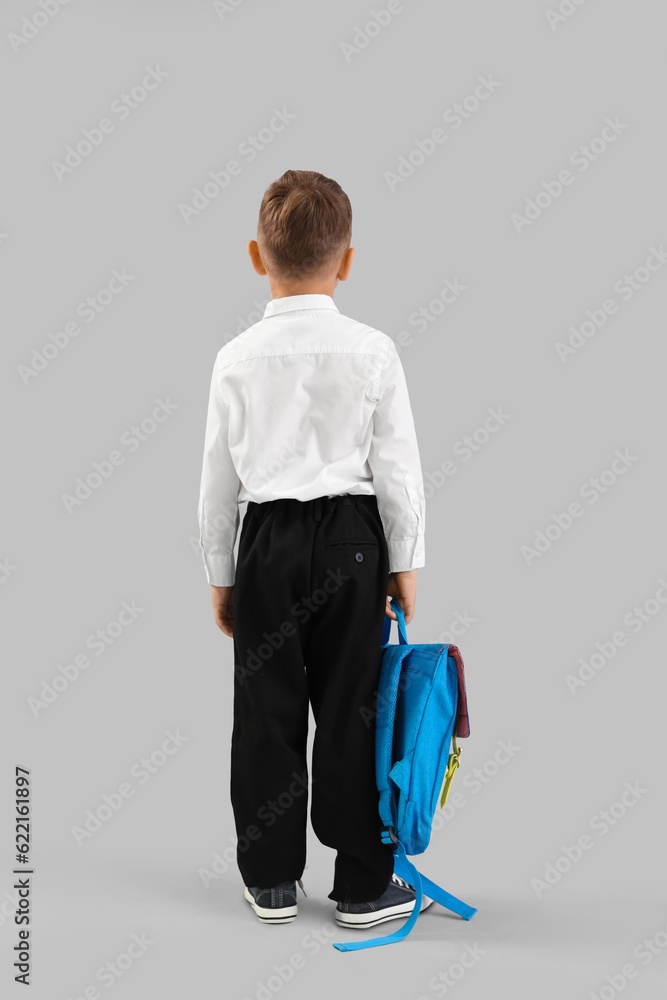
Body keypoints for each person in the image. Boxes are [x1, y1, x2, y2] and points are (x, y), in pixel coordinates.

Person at [197, 169, 431, 929]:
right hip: (352, 546)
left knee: (264, 711)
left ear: (255, 256)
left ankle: (269, 881)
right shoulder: (372, 349)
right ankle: (363, 886)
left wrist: (221, 574)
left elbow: (217, 481)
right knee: (354, 709)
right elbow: (397, 468)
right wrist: (405, 563)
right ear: (348, 259)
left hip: (265, 541)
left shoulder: (234, 356)